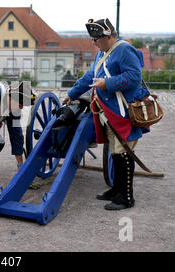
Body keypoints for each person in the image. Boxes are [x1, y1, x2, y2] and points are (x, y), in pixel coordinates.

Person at [63, 18, 149, 211]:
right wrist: (72, 93)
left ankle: (126, 197)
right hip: (108, 112)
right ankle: (116, 190)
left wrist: (106, 84)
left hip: (125, 112)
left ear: (108, 36)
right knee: (115, 152)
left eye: (96, 39)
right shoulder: (102, 52)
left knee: (123, 153)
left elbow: (134, 77)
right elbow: (90, 76)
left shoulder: (124, 50)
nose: (93, 43)